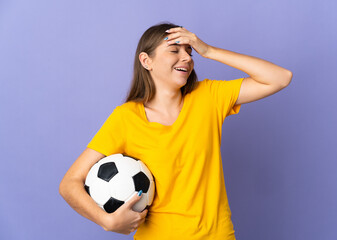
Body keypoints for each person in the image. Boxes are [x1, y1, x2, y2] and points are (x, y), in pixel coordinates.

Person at [59, 22, 292, 239]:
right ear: (146, 61)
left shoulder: (209, 97)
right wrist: (107, 221)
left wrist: (209, 51)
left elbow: (280, 78)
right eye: (174, 50)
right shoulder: (126, 118)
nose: (187, 58)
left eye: (189, 52)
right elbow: (70, 183)